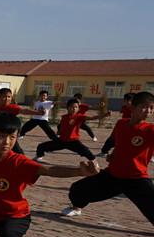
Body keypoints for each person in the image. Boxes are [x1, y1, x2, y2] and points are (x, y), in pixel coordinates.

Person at [62, 91, 154, 223]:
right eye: (144, 107)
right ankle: (76, 208)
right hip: (113, 176)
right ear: (132, 107)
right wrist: (112, 156)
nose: (148, 111)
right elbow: (120, 145)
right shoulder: (121, 124)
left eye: (151, 108)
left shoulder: (150, 130)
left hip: (136, 179)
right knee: (77, 189)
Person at [0, 88, 43, 154]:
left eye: (9, 97)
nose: (6, 99)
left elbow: (24, 111)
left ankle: (24, 165)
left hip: (7, 135)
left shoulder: (12, 107)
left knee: (19, 153)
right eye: (4, 97)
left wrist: (37, 113)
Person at [34, 98, 106, 162]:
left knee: (86, 152)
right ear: (68, 108)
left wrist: (104, 115)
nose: (74, 109)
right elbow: (61, 127)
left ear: (78, 109)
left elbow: (92, 118)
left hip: (73, 142)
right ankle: (39, 157)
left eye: (76, 107)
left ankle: (94, 162)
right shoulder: (64, 117)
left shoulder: (79, 117)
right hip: (62, 141)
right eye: (72, 107)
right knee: (41, 146)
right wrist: (58, 134)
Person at [99, 93, 133, 157]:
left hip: (129, 128)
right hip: (121, 126)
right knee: (112, 138)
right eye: (126, 100)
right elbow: (119, 114)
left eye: (130, 101)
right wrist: (110, 113)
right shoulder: (124, 107)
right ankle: (104, 152)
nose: (128, 102)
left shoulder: (135, 110)